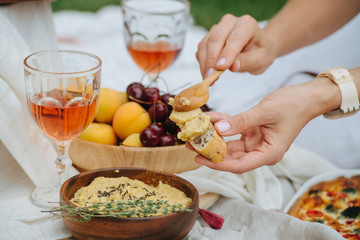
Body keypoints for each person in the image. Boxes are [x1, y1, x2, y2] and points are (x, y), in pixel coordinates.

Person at [187, 0, 360, 173]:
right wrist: (270, 41)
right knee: (229, 98)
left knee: (309, 153)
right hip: (332, 34)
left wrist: (322, 96)